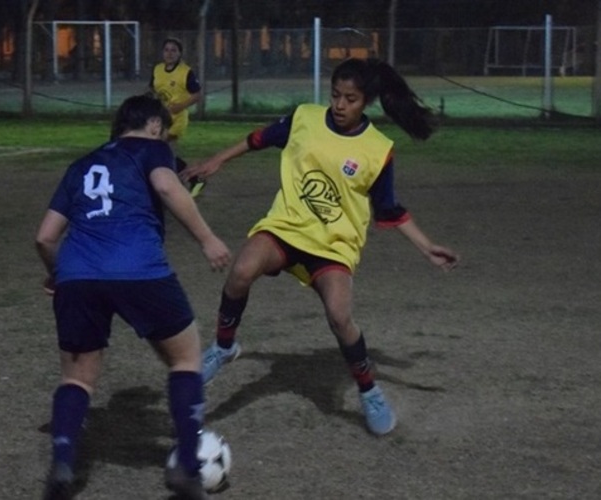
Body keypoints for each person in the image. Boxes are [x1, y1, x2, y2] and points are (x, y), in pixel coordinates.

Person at [180, 57, 460, 437]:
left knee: (340, 316)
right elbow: (258, 139)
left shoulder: (377, 150)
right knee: (241, 271)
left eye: (351, 99)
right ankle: (224, 346)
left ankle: (368, 390)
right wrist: (216, 161)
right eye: (335, 96)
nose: (340, 105)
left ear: (367, 102)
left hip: (333, 246)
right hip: (286, 228)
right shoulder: (304, 119)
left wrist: (427, 247)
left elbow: (390, 209)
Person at [35, 94, 231, 500]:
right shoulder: (153, 148)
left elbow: (45, 236)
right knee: (185, 358)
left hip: (77, 275)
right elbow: (165, 185)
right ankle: (189, 470)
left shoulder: (82, 164)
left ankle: (63, 462)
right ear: (155, 126)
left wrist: (60, 274)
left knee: (77, 379)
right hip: (138, 269)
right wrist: (207, 238)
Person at [149, 37, 207, 197]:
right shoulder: (157, 69)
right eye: (167, 50)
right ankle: (193, 178)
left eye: (173, 50)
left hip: (177, 120)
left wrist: (181, 106)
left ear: (180, 53)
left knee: (161, 150)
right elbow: (153, 90)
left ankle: (180, 184)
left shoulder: (185, 72)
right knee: (164, 154)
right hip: (160, 119)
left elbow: (197, 95)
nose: (169, 53)